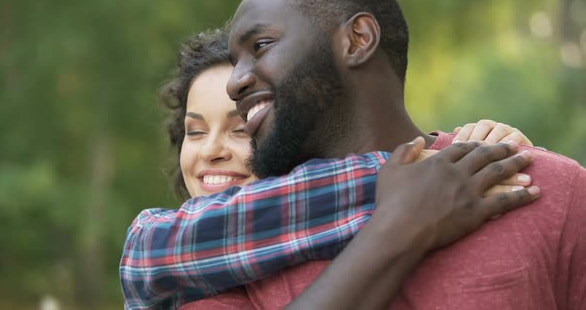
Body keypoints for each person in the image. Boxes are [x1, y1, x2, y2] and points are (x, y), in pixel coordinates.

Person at [222, 0, 584, 309]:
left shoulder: (552, 190)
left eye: (261, 45)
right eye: (234, 62)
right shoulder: (230, 247)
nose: (233, 84)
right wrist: (400, 224)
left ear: (358, 39)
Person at [120, 29, 537, 309]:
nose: (211, 150)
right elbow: (145, 252)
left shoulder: (322, 230)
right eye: (195, 131)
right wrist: (427, 167)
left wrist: (475, 153)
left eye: (241, 128)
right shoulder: (159, 245)